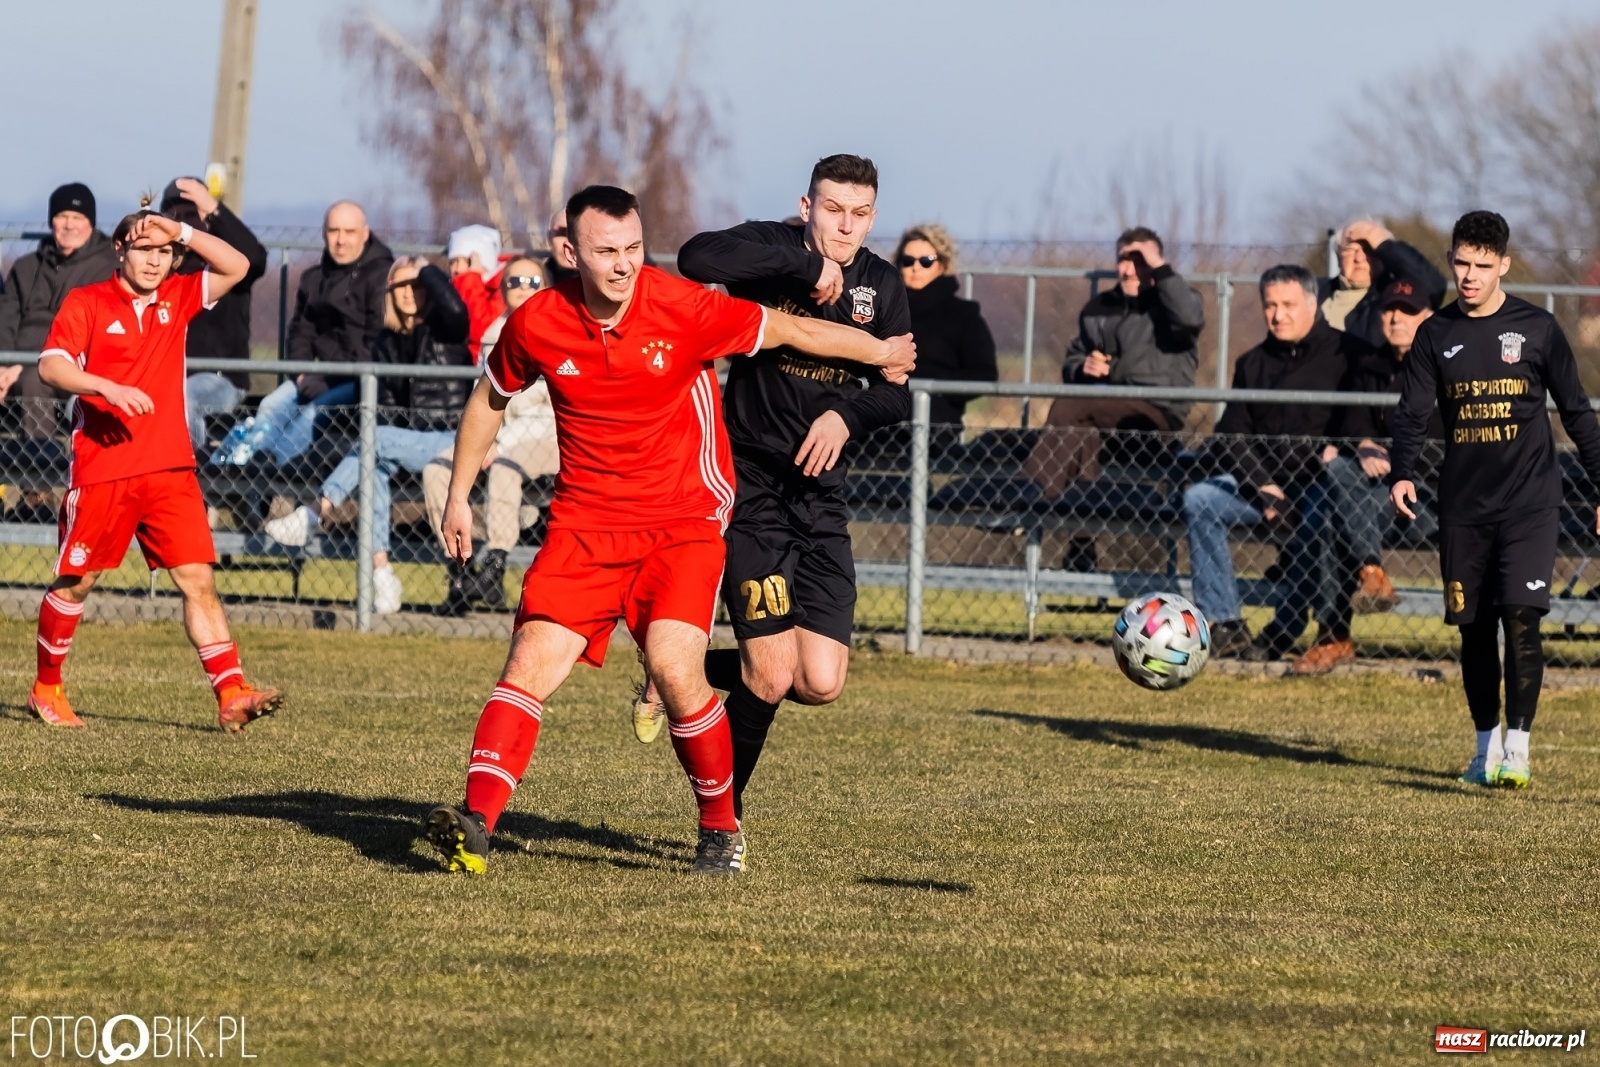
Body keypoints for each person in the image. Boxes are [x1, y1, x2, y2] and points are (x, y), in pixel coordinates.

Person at [422, 184, 915, 877]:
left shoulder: (682, 307)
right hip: (583, 526)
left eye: (633, 248)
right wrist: (460, 495)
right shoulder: (538, 321)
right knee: (528, 665)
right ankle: (475, 824)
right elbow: (488, 400)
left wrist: (879, 350)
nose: (624, 265)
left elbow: (796, 330)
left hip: (680, 522)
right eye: (606, 252)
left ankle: (720, 827)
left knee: (677, 670)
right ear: (570, 252)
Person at [669, 154, 912, 824]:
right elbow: (694, 256)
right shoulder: (775, 250)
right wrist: (807, 269)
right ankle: (722, 817)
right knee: (773, 675)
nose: (845, 225)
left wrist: (845, 413)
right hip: (752, 490)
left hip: (821, 499)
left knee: (821, 681)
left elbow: (896, 396)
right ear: (806, 207)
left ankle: (677, 676)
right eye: (832, 209)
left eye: (859, 214)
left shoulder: (881, 285)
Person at [27, 202, 281, 730]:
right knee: (76, 583)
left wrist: (182, 228)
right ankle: (46, 687)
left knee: (198, 581)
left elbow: (238, 266)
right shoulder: (87, 301)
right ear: (120, 251)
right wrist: (104, 385)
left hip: (170, 470)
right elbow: (51, 365)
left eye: (164, 251)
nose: (154, 260)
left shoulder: (178, 295)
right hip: (104, 469)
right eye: (144, 248)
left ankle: (231, 692)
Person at [1389, 211, 1600, 790]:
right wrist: (1402, 473)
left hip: (1531, 502)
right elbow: (1412, 412)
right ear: (1452, 260)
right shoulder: (1436, 334)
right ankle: (1484, 749)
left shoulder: (1537, 329)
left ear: (1504, 265)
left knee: (1521, 620)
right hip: (1463, 507)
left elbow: (1578, 412)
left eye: (1483, 265)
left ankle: (1519, 749)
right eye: (1462, 263)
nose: (1471, 275)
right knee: (1474, 630)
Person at [263, 257, 472, 614]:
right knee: (370, 468)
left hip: (452, 441)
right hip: (403, 444)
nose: (409, 293)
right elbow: (386, 412)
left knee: (375, 441)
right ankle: (382, 576)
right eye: (401, 286)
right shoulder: (385, 342)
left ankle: (314, 513)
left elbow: (455, 309)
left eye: (417, 285)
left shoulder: (445, 330)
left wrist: (425, 268)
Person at [1181, 264, 1367, 658]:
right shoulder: (1252, 363)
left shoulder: (1348, 356)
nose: (1278, 315)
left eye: (1288, 304)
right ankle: (1225, 622)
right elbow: (1232, 435)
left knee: (1318, 517)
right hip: (1262, 488)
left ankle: (1285, 629)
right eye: (1270, 305)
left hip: (1319, 487)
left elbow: (1353, 432)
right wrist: (1266, 490)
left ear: (1312, 304)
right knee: (1200, 499)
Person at [1284, 278, 1446, 676]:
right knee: (1335, 484)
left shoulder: (1445, 368)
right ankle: (1369, 576)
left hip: (1424, 498)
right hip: (1372, 500)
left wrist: (1397, 461)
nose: (1396, 319)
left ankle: (1334, 633)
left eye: (1407, 312)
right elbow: (1354, 418)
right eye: (1390, 310)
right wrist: (1363, 443)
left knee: (1331, 509)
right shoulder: (1369, 366)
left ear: (1427, 316)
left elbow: (1442, 444)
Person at [1023, 227, 1205, 502]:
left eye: (1140, 261)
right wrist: (1083, 367)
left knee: (1071, 406)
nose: (1129, 271)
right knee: (1082, 433)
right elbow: (1073, 358)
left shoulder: (1174, 303)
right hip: (1102, 415)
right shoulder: (1099, 307)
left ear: (1156, 263)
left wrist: (1160, 268)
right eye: (1123, 260)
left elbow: (1190, 319)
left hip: (1154, 416)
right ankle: (1082, 542)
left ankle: (1031, 499)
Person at [423, 256, 557, 616]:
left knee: (505, 467)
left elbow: (549, 406)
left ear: (544, 288)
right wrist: (485, 441)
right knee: (437, 470)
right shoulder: (493, 334)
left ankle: (495, 567)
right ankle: (462, 570)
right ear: (502, 290)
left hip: (546, 434)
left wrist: (499, 443)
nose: (523, 289)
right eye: (515, 282)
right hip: (500, 434)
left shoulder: (557, 328)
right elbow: (484, 401)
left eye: (532, 282)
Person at [214, 201, 392, 467]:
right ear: (324, 233)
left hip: (360, 381)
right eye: (334, 231)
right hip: (316, 376)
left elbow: (377, 344)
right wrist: (301, 374)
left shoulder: (382, 277)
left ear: (365, 234)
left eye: (349, 232)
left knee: (313, 414)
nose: (341, 240)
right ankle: (249, 469)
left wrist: (327, 381)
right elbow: (300, 331)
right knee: (271, 404)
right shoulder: (314, 279)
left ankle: (275, 469)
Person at [0, 183, 118, 449]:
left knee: (34, 380)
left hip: (73, 364)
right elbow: (6, 319)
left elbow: (82, 331)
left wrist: (25, 364)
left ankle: (37, 485)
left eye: (78, 217)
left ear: (90, 223)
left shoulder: (108, 267)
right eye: (62, 216)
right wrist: (4, 365)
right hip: (14, 364)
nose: (69, 225)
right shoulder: (26, 267)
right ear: (51, 220)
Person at [158, 177, 269, 449]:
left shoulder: (224, 263)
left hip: (220, 379)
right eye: (176, 217)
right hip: (168, 375)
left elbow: (254, 258)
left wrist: (214, 209)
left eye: (191, 215)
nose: (183, 224)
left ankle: (188, 474)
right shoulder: (160, 264)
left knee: (187, 399)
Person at [895, 223, 996, 451]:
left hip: (936, 427)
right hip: (883, 423)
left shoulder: (963, 315)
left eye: (926, 261)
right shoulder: (886, 310)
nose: (916, 268)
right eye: (908, 260)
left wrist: (937, 386)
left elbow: (985, 373)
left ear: (942, 264)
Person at [1318, 218, 1446, 347]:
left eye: (1368, 250)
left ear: (1383, 255)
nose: (1359, 258)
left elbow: (1434, 286)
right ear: (1339, 257)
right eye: (1351, 250)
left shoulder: (1392, 297)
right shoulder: (1316, 293)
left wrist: (1383, 243)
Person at [446, 224, 506, 357]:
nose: (456, 269)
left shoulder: (505, 285)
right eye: (452, 262)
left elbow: (481, 329)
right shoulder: (456, 286)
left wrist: (471, 280)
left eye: (464, 261)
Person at [544, 209, 577, 285]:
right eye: (563, 233)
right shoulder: (532, 285)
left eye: (578, 234)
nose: (569, 243)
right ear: (549, 237)